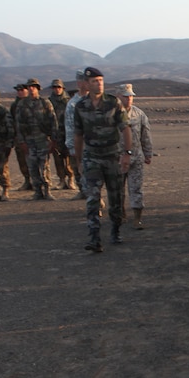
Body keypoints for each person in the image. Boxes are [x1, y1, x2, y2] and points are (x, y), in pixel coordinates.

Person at [73, 67, 132, 252]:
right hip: (92, 157)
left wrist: (126, 154)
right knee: (92, 197)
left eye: (100, 80)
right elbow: (78, 135)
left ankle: (115, 229)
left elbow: (125, 128)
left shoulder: (113, 103)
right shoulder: (81, 107)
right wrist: (79, 160)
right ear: (86, 84)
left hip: (112, 156)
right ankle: (94, 237)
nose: (98, 84)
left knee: (116, 197)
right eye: (94, 81)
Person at [117, 84, 154, 228]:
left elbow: (146, 135)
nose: (129, 99)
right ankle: (120, 214)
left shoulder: (139, 114)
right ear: (118, 97)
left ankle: (137, 218)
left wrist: (148, 153)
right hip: (117, 159)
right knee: (117, 189)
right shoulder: (112, 114)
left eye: (131, 96)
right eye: (125, 96)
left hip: (136, 158)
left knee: (136, 188)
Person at [14, 78, 58, 200]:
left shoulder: (45, 103)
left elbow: (53, 122)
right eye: (29, 87)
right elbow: (18, 124)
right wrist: (21, 141)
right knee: (32, 167)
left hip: (43, 140)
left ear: (38, 88)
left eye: (33, 86)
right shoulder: (22, 104)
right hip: (29, 140)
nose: (31, 89)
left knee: (44, 166)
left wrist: (54, 140)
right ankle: (37, 191)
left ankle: (47, 190)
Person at [48, 79, 77, 190]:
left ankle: (71, 179)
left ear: (62, 88)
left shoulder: (69, 101)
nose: (57, 89)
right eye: (55, 87)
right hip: (56, 134)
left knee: (69, 157)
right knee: (58, 158)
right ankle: (61, 180)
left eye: (59, 87)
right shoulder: (49, 102)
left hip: (68, 133)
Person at [65, 71, 91, 198]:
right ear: (79, 83)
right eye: (85, 81)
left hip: (96, 144)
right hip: (80, 144)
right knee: (80, 171)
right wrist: (72, 147)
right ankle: (84, 193)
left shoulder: (96, 100)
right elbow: (70, 127)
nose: (88, 83)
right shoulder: (73, 104)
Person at [10, 83, 32, 191]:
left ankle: (39, 182)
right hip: (19, 137)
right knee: (22, 160)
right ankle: (27, 180)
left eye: (22, 90)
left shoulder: (32, 103)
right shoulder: (15, 105)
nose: (20, 92)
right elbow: (12, 121)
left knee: (35, 160)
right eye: (18, 90)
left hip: (33, 137)